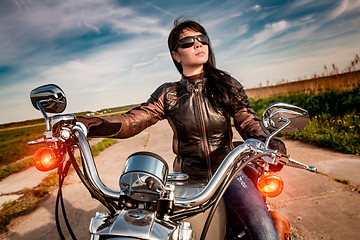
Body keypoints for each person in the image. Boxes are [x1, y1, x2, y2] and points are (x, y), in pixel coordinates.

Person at [78, 19, 288, 240]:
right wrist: (86, 125)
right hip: (188, 180)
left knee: (265, 233)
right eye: (188, 42)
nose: (198, 44)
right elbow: (133, 119)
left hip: (228, 175)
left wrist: (266, 140)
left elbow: (247, 119)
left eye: (202, 39)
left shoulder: (227, 85)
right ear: (176, 55)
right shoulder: (168, 94)